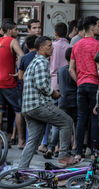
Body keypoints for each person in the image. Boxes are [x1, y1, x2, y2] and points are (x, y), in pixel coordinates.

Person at [19, 36, 75, 168]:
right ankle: (63, 155)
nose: (52, 48)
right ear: (41, 47)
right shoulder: (41, 62)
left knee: (34, 140)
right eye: (49, 46)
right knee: (66, 121)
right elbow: (42, 85)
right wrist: (53, 93)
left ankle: (21, 170)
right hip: (38, 105)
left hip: (28, 107)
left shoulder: (34, 61)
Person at [69, 16, 99, 161]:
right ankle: (94, 151)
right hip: (94, 84)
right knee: (94, 117)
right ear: (92, 27)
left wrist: (80, 81)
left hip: (81, 85)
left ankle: (78, 152)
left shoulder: (76, 45)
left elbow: (71, 69)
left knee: (81, 118)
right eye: (97, 25)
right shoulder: (97, 45)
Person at [44, 47, 77, 159]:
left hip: (62, 100)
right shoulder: (75, 70)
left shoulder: (61, 70)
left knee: (58, 125)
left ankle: (51, 147)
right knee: (72, 125)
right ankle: (70, 147)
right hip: (74, 101)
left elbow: (58, 84)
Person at [0, 21, 25, 148]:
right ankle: (21, 140)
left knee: (0, 110)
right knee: (18, 109)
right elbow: (22, 55)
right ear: (9, 31)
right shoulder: (12, 41)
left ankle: (0, 141)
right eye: (15, 29)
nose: (18, 32)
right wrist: (19, 71)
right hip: (9, 80)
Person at [48, 22, 71, 154]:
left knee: (53, 117)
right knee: (63, 117)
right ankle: (57, 147)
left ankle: (50, 145)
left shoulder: (51, 47)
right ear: (66, 33)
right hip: (66, 85)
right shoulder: (70, 46)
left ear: (55, 33)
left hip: (53, 84)